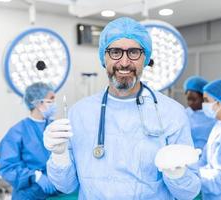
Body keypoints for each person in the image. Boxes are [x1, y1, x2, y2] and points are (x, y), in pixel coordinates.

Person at [43, 17, 201, 199]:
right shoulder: (80, 113)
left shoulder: (170, 113)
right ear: (104, 57)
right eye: (115, 52)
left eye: (134, 52)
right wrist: (59, 155)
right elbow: (66, 186)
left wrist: (177, 174)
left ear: (145, 57)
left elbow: (189, 193)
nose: (124, 62)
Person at [0, 82, 59, 200]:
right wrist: (35, 176)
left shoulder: (54, 127)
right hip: (28, 195)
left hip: (55, 193)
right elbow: (7, 167)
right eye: (51, 100)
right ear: (38, 103)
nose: (54, 104)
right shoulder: (18, 131)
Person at [183, 76, 216, 151]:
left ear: (203, 98)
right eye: (189, 99)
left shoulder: (213, 115)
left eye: (194, 99)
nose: (190, 103)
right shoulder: (183, 115)